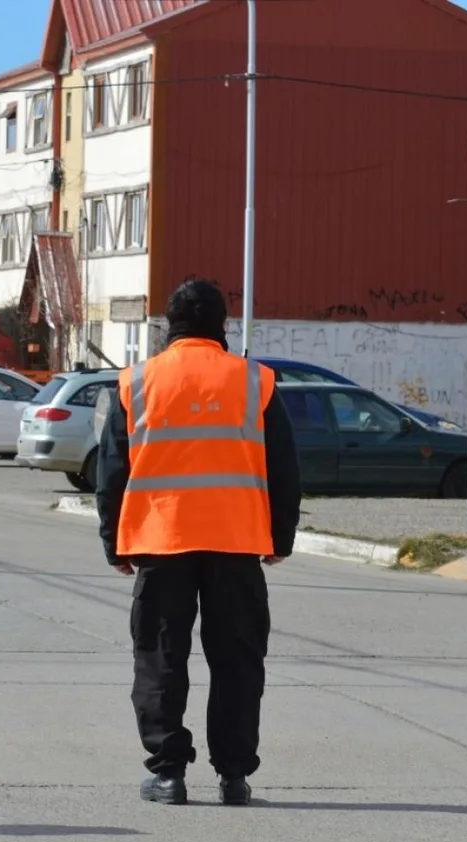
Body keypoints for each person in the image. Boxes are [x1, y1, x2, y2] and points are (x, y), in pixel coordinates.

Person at [95, 278, 301, 807]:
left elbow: (112, 469)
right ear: (222, 326)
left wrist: (114, 542)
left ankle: (168, 775)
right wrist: (280, 537)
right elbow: (284, 468)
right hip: (236, 543)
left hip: (161, 541)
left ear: (168, 327)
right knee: (237, 661)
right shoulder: (255, 382)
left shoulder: (137, 382)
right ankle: (234, 776)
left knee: (161, 658)